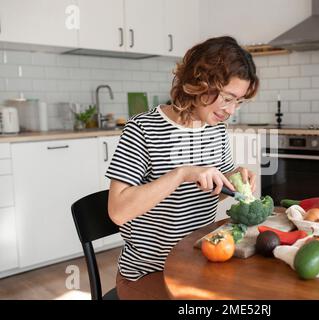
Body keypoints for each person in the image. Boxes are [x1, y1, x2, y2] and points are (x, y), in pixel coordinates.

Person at [106, 36, 260, 300]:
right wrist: (182, 173)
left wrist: (234, 179)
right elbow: (118, 212)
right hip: (150, 273)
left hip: (199, 261)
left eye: (239, 101)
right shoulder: (143, 129)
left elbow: (219, 190)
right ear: (201, 83)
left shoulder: (216, 129)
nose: (231, 110)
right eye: (227, 98)